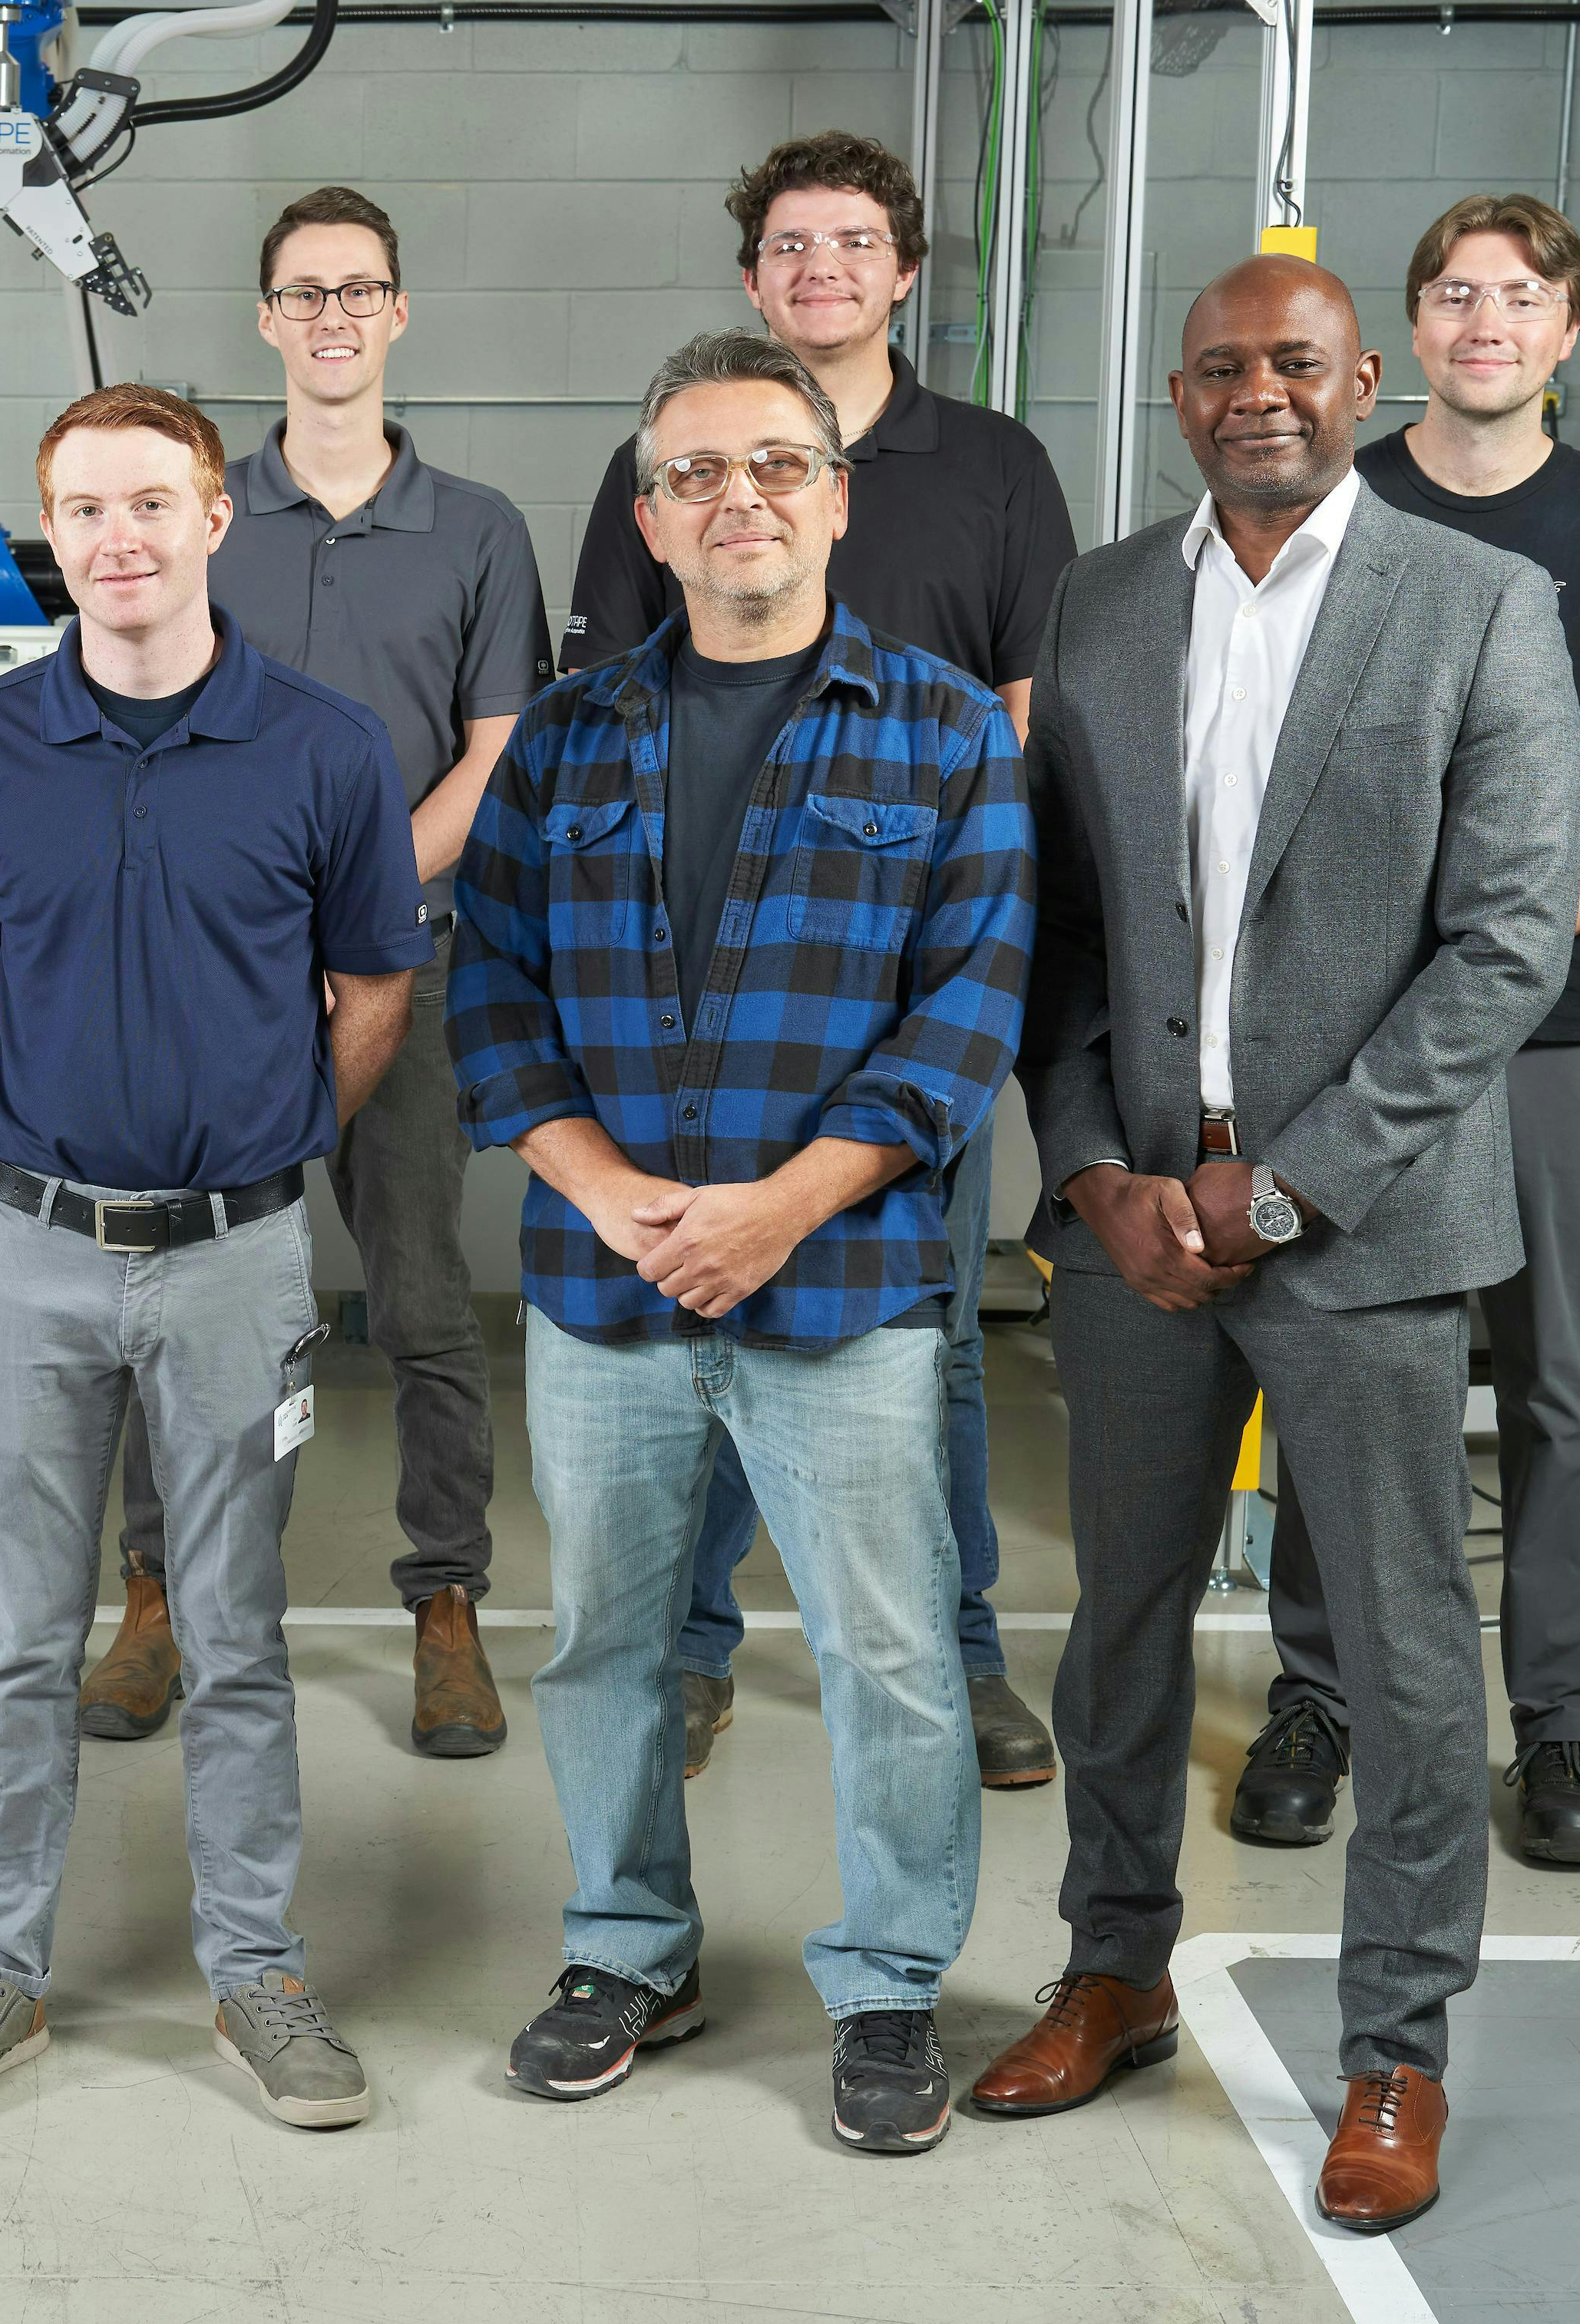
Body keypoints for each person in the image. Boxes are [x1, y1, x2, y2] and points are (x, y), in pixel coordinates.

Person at [968, 257, 1578, 2237]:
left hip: (1364, 1231)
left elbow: (1507, 944)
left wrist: (1289, 1184)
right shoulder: (1103, 603)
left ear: (1362, 379)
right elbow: (1061, 926)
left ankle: (1395, 2045)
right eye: (1222, 367)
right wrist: (1090, 1169)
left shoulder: (1480, 603)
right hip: (1140, 1228)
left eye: (1295, 363)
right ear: (1178, 394)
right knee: (1121, 1624)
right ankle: (1114, 1966)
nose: (1260, 393)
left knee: (1402, 1654)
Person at [457, 329, 1031, 2157]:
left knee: (891, 1656)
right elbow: (492, 988)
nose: (740, 500)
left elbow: (968, 1012)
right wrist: (601, 1188)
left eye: (778, 464)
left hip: (844, 1286)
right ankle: (629, 1947)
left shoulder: (948, 730)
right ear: (648, 518)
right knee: (605, 1646)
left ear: (837, 497)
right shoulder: (567, 736)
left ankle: (889, 1979)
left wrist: (785, 1205)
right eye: (694, 473)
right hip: (605, 1284)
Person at [0, 383, 427, 2133]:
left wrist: (263, 1142)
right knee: (26, 1638)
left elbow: (376, 985)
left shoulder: (327, 748)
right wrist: (66, 1133)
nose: (117, 539)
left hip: (238, 1263)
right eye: (84, 510)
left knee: (236, 1636)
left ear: (212, 519)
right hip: (26, 1254)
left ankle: (256, 1971)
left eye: (148, 504)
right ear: (56, 534)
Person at [564, 133, 1076, 1791]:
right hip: (693, 987)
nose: (822, 267)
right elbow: (608, 706)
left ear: (904, 271)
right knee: (688, 1305)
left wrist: (939, 877)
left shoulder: (993, 465)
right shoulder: (661, 454)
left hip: (901, 966)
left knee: (928, 1333)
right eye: (790, 243)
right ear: (752, 275)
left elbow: (1028, 711)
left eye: (854, 241)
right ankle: (690, 1652)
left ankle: (963, 1648)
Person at [1234, 194, 1580, 1870]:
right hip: (1346, 1027)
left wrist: (1497, 948)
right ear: (1406, 337)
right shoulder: (1337, 505)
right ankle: (1320, 1697)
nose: (1485, 321)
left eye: (1519, 295)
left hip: (1551, 1022)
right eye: (1454, 294)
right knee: (1343, 1367)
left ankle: (1563, 1727)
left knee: (1559, 1388)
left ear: (1566, 330)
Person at [77, 184, 550, 1762]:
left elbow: (499, 750)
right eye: (304, 292)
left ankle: (446, 1601)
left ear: (397, 312)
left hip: (408, 973)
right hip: (214, 985)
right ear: (267, 318)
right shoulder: (205, 511)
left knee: (421, 1299)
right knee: (184, 1301)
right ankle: (159, 1592)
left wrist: (360, 906)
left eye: (359, 290)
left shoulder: (477, 527)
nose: (332, 316)